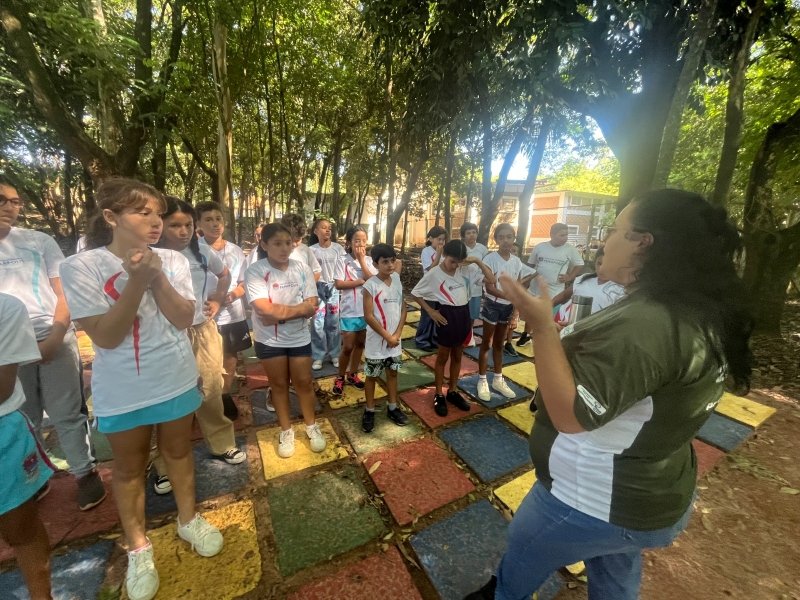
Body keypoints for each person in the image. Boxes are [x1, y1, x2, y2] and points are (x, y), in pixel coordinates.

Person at [465, 189, 753, 600]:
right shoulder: (693, 310)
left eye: (616, 230)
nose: (604, 241)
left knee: (520, 561)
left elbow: (572, 415)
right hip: (643, 498)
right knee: (614, 568)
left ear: (643, 242)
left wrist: (543, 328)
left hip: (591, 500)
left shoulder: (648, 325)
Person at [60, 179, 223, 600]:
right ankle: (138, 547)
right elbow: (107, 336)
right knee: (129, 471)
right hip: (124, 389)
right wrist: (135, 281)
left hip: (175, 377)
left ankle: (189, 520)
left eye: (157, 212)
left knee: (180, 453)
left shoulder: (172, 260)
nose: (155, 221)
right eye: (142, 212)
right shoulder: (80, 267)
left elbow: (185, 317)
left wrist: (155, 277)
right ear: (111, 218)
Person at [0, 179, 105, 511]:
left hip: (50, 334)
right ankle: (34, 477)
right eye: (2, 200)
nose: (9, 207)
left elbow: (64, 293)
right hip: (5, 346)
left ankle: (84, 473)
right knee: (23, 414)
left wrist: (58, 335)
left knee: (67, 410)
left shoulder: (37, 241)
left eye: (15, 202)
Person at [151, 197, 245, 496]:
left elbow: (225, 275)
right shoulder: (149, 255)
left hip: (202, 331)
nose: (183, 231)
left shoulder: (200, 250)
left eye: (188, 225)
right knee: (166, 400)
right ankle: (163, 464)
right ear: (159, 225)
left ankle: (222, 445)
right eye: (174, 225)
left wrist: (217, 299)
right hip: (164, 336)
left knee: (211, 390)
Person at [244, 223, 325, 458]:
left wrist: (278, 314)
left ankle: (312, 427)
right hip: (270, 340)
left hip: (299, 337)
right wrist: (298, 309)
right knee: (278, 385)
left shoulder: (302, 268)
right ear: (264, 244)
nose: (284, 248)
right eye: (277, 243)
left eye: (287, 243)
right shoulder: (256, 271)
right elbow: (263, 310)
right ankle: (286, 430)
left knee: (304, 382)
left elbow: (312, 305)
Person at [0, 292, 55, 600]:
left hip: (3, 432)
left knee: (19, 527)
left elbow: (2, 387)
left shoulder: (6, 308)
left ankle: (41, 595)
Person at [412, 240, 495, 416]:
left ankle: (453, 391)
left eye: (459, 261)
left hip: (463, 316)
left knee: (458, 355)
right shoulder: (434, 274)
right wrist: (431, 312)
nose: (455, 266)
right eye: (452, 261)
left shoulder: (465, 269)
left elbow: (492, 279)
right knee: (442, 357)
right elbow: (416, 293)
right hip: (447, 316)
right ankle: (438, 394)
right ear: (444, 255)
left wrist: (478, 262)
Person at [196, 202, 251, 418]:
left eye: (218, 218)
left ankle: (224, 394)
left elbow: (243, 282)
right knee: (205, 360)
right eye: (208, 219)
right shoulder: (193, 251)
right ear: (198, 223)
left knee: (230, 355)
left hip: (232, 314)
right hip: (204, 316)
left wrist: (231, 296)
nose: (214, 224)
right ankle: (205, 400)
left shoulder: (236, 251)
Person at [476, 224, 534, 402]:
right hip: (492, 305)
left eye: (509, 236)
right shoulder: (490, 259)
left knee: (499, 345)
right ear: (496, 240)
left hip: (508, 307)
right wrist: (508, 295)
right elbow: (490, 287)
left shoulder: (516, 261)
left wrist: (515, 310)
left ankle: (498, 379)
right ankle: (482, 380)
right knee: (486, 343)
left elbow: (518, 285)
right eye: (501, 237)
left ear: (514, 238)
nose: (506, 240)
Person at [361, 243, 408, 432]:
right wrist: (387, 336)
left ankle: (392, 407)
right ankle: (369, 410)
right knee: (372, 376)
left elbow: (403, 308)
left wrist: (396, 335)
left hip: (394, 341)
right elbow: (369, 316)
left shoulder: (396, 279)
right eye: (384, 262)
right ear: (375, 263)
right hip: (376, 342)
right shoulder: (370, 285)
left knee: (393, 373)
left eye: (392, 261)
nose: (389, 265)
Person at [517, 223, 584, 347]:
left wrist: (569, 276)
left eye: (566, 235)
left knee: (548, 317)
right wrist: (524, 283)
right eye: (561, 235)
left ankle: (545, 341)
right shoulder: (540, 247)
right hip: (535, 288)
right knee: (531, 314)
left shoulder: (570, 249)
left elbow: (579, 264)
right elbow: (530, 266)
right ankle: (526, 335)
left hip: (555, 290)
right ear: (552, 235)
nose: (565, 238)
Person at [332, 226, 375, 396]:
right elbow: (339, 284)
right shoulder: (342, 260)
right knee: (348, 346)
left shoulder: (371, 261)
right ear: (349, 242)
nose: (361, 244)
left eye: (364, 241)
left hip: (366, 311)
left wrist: (362, 260)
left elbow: (372, 281)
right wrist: (359, 281)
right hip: (349, 310)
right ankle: (340, 376)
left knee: (361, 344)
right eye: (357, 241)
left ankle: (353, 374)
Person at [553, 247, 626, 325]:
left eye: (608, 264)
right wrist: (546, 307)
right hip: (561, 319)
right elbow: (564, 295)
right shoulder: (584, 279)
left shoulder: (620, 290)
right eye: (599, 263)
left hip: (588, 329)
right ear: (595, 263)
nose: (602, 269)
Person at [310, 218, 346, 370]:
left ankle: (335, 354)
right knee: (317, 323)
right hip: (317, 288)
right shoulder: (311, 250)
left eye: (329, 228)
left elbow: (343, 269)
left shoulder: (338, 249)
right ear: (315, 231)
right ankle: (318, 356)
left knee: (333, 322)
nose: (327, 230)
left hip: (333, 288)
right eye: (323, 228)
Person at [414, 225, 447, 351]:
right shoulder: (426, 251)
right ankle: (421, 340)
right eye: (439, 239)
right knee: (427, 315)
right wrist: (438, 254)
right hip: (428, 289)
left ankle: (434, 339)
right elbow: (431, 269)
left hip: (441, 289)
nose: (441, 242)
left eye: (443, 239)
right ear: (430, 238)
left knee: (438, 315)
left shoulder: (444, 251)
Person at [460, 222, 488, 347]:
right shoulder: (460, 247)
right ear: (463, 236)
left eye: (474, 232)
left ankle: (469, 335)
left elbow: (486, 266)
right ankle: (460, 334)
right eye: (468, 233)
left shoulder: (482, 249)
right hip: (461, 286)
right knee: (461, 312)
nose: (471, 235)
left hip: (476, 287)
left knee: (472, 314)